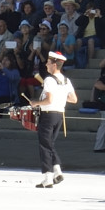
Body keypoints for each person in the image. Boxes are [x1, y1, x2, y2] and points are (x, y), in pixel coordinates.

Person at [34, 50, 77, 188]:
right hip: (59, 115)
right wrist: (61, 96)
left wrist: (35, 103)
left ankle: (48, 176)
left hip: (48, 114)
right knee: (49, 144)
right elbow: (73, 99)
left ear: (54, 64)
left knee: (45, 146)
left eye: (48, 62)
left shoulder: (49, 79)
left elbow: (48, 100)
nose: (46, 64)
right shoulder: (66, 80)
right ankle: (56, 172)